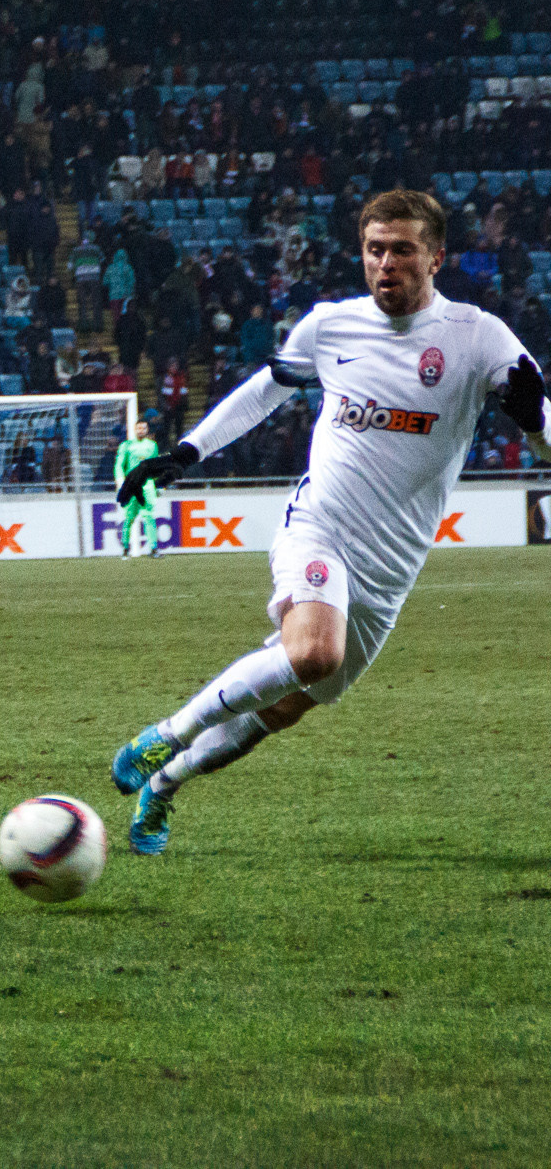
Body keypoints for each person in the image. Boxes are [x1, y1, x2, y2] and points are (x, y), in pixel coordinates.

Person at [109, 190, 551, 855]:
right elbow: (267, 388)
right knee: (315, 650)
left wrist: (536, 420)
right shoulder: (330, 326)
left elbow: (545, 429)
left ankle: (167, 783)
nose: (386, 263)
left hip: (392, 570)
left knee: (283, 704)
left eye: (402, 249)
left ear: (436, 256)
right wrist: (185, 452)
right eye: (375, 249)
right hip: (320, 527)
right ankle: (165, 734)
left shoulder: (478, 337)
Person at [114, 420, 161, 559]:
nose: (141, 430)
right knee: (129, 518)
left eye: (143, 428)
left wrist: (158, 484)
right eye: (138, 428)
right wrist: (120, 481)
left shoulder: (152, 446)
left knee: (149, 516)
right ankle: (125, 549)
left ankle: (153, 549)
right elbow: (119, 465)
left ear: (147, 430)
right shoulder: (126, 445)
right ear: (134, 430)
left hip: (147, 485)